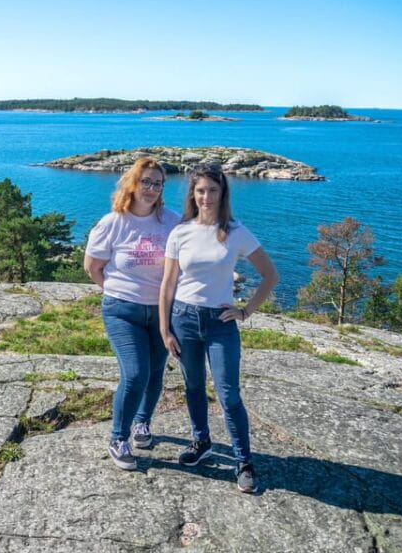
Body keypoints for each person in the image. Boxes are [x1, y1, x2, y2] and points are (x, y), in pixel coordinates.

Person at [158, 163, 279, 493]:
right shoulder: (180, 232)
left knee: (228, 395)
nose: (206, 197)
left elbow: (270, 275)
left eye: (212, 190)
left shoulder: (236, 231)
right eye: (200, 191)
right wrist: (164, 329)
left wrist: (245, 312)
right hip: (182, 318)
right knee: (194, 387)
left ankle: (243, 460)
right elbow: (168, 284)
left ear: (222, 193)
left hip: (220, 324)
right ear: (192, 194)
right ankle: (202, 443)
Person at [84, 157, 181, 471]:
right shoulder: (112, 222)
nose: (151, 188)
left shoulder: (172, 222)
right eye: (146, 181)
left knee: (155, 373)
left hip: (162, 312)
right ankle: (118, 437)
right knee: (136, 373)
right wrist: (116, 290)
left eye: (157, 183)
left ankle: (143, 422)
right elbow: (92, 267)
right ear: (132, 184)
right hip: (122, 311)